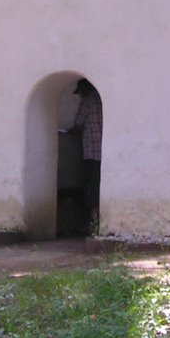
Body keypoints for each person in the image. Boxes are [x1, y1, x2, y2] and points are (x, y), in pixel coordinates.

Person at [71, 78, 102, 231]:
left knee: (91, 187)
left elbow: (78, 125)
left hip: (91, 151)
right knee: (99, 186)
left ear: (84, 90)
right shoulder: (101, 99)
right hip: (103, 151)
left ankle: (93, 223)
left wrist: (71, 132)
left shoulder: (87, 102)